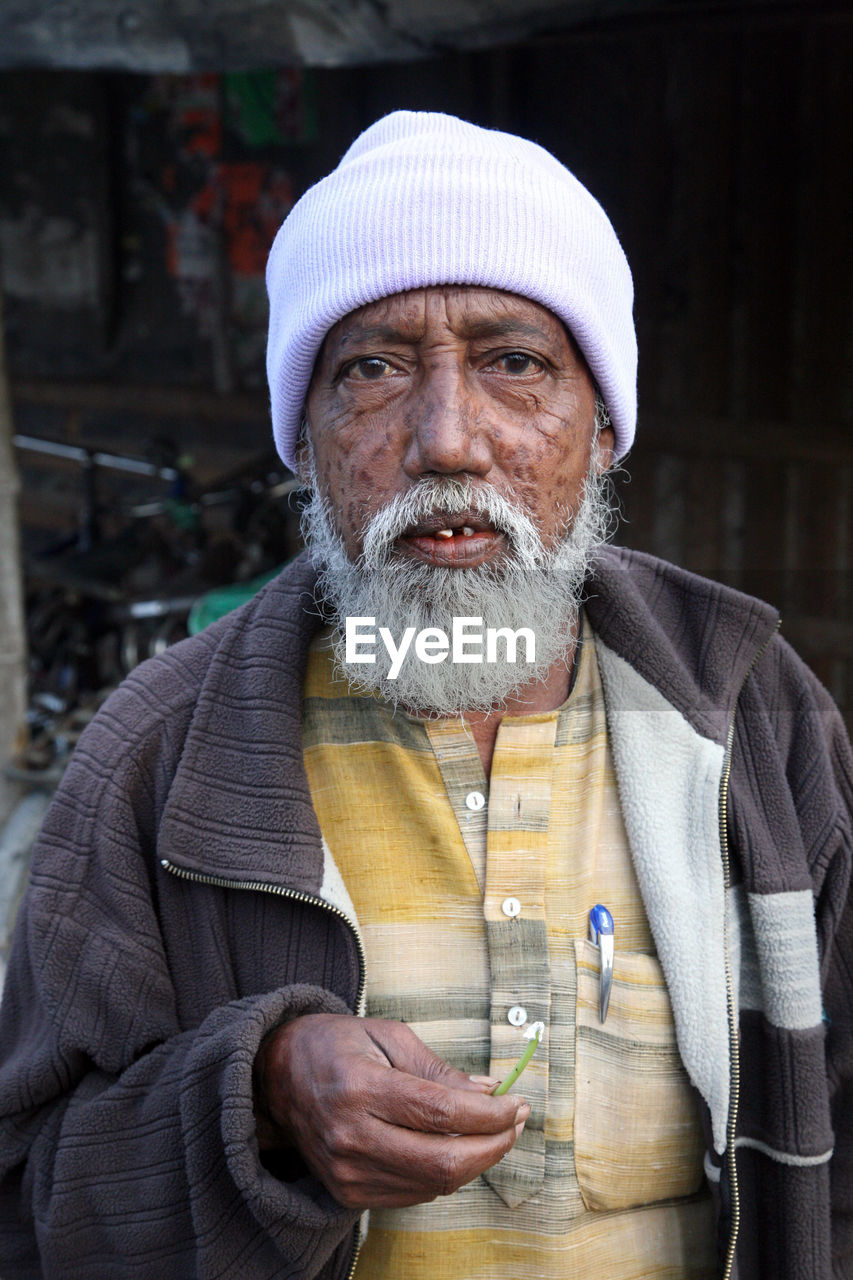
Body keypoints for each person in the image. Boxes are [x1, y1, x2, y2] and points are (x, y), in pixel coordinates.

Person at [0, 110, 850, 1280]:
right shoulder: (154, 756)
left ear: (603, 427)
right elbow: (29, 1204)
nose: (447, 439)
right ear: (304, 434)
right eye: (374, 368)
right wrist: (260, 1094)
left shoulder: (759, 722)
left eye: (514, 362)